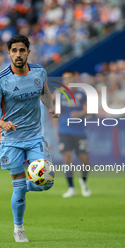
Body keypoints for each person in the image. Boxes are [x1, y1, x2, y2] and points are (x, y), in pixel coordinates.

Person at [0, 34, 57, 242]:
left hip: (35, 136)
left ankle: (21, 187)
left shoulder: (39, 72)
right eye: (14, 50)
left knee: (47, 182)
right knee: (19, 185)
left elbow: (44, 93)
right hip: (11, 140)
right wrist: (2, 123)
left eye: (22, 50)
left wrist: (52, 107)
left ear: (28, 52)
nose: (18, 54)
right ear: (8, 53)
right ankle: (19, 228)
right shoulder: (1, 80)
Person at [57, 70, 91, 198]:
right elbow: (55, 114)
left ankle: (83, 181)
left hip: (79, 131)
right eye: (65, 79)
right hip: (64, 130)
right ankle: (71, 187)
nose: (68, 81)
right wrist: (56, 130)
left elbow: (88, 110)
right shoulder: (60, 95)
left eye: (70, 78)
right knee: (67, 158)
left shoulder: (81, 94)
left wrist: (80, 114)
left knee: (85, 159)